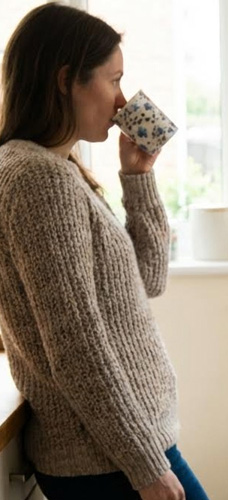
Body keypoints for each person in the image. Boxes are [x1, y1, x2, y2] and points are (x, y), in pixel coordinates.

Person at [0, 5, 208, 500]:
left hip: (123, 451)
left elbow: (149, 280)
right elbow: (75, 345)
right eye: (113, 79)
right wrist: (143, 466)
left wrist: (139, 176)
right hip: (107, 462)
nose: (121, 100)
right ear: (67, 79)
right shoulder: (36, 179)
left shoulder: (58, 169)